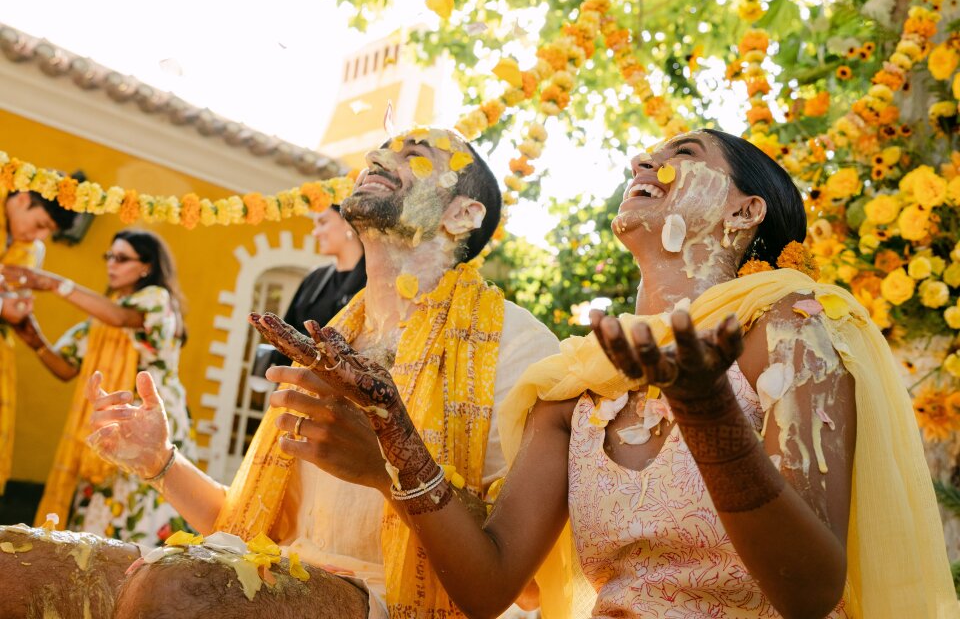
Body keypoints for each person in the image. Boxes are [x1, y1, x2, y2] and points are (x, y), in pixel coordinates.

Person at [248, 129, 959, 618]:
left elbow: (809, 591)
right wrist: (393, 450)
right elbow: (489, 586)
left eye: (682, 154)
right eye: (645, 156)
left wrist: (706, 413)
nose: (644, 165)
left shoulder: (793, 327)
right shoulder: (580, 379)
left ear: (746, 211)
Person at [1, 128, 559, 619]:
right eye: (380, 149)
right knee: (14, 564)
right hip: (275, 578)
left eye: (414, 152)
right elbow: (244, 525)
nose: (378, 156)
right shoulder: (332, 339)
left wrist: (390, 465)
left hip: (387, 600)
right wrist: (161, 461)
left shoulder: (518, 347)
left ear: (462, 214)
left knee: (180, 589)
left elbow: (495, 585)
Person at [3, 229, 196, 548]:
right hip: (112, 425)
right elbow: (65, 368)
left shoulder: (157, 302)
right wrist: (31, 335)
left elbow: (121, 318)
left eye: (121, 258)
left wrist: (53, 283)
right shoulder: (100, 319)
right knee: (101, 516)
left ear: (146, 266)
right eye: (109, 256)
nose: (111, 264)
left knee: (142, 513)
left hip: (152, 424)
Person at [0, 188, 79, 494]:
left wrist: (18, 309)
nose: (41, 236)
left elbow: (15, 298)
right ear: (21, 200)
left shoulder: (33, 248)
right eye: (41, 223)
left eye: (48, 230)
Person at [267, 203, 366, 368]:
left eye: (323, 222)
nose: (315, 232)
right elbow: (284, 333)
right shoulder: (314, 277)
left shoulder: (373, 278)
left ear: (348, 221)